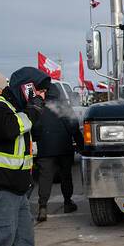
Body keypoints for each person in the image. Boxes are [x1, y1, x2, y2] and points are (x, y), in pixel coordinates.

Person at [0, 67, 53, 246]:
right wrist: (33, 108)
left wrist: (36, 110)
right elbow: (9, 129)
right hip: (0, 187)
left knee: (23, 242)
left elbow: (28, 133)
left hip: (17, 188)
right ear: (24, 87)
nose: (40, 94)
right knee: (2, 238)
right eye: (36, 89)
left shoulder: (17, 109)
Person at [33, 83, 84, 222]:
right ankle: (68, 203)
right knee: (66, 176)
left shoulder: (39, 108)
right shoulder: (64, 107)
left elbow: (35, 129)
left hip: (45, 150)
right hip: (64, 149)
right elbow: (74, 127)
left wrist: (39, 140)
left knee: (45, 179)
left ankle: (42, 207)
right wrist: (81, 146)